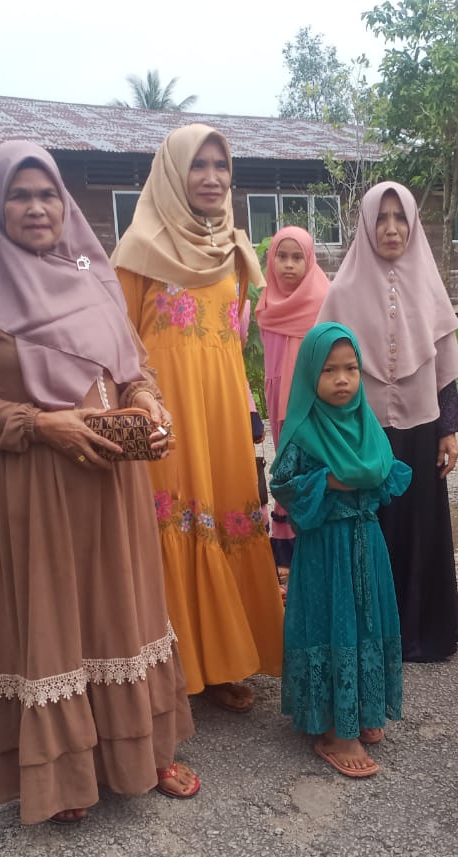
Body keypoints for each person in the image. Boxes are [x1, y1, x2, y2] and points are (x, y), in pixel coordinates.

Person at [0, 141, 197, 825]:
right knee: (55, 620)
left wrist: (149, 403)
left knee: (125, 608)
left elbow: (131, 366)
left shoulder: (93, 273)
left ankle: (147, 749)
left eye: (47, 193)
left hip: (111, 482)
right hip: (34, 484)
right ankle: (65, 770)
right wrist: (38, 424)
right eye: (20, 195)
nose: (38, 207)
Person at [111, 124, 283, 713]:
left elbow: (235, 343)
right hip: (166, 413)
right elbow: (117, 345)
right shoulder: (138, 250)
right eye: (198, 165)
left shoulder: (234, 248)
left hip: (223, 411)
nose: (212, 177)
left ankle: (229, 660)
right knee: (176, 520)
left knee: (228, 512)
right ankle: (176, 667)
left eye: (221, 165)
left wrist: (249, 409)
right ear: (173, 172)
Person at [316, 182, 458, 663]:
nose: (392, 228)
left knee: (420, 523)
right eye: (381, 218)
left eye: (401, 218)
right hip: (365, 432)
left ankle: (422, 633)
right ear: (365, 223)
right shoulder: (342, 290)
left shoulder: (428, 282)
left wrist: (448, 429)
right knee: (372, 529)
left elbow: (443, 362)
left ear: (414, 223)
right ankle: (373, 634)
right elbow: (323, 366)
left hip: (421, 428)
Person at [271, 322, 412, 778]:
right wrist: (333, 479)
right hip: (324, 552)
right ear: (310, 375)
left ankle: (361, 711)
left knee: (366, 622)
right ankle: (336, 732)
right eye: (329, 370)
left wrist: (356, 475)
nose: (342, 379)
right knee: (335, 624)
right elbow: (284, 485)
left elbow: (387, 472)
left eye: (351, 368)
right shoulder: (303, 431)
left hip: (366, 545)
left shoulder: (364, 422)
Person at [257, 226, 331, 576]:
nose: (288, 265)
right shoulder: (266, 302)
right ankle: (286, 549)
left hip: (315, 402)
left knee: (313, 467)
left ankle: (317, 545)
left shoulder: (324, 298)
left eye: (297, 257)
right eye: (281, 257)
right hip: (278, 398)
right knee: (286, 465)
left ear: (309, 259)